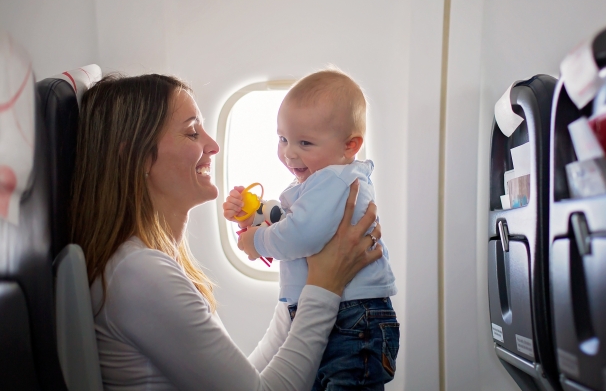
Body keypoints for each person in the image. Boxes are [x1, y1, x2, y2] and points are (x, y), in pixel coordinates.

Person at [69, 73, 383, 391]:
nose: (213, 145)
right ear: (136, 156)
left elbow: (248, 381)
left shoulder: (153, 262)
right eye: (192, 133)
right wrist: (325, 286)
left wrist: (303, 286)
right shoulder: (139, 274)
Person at [223, 69, 399, 390]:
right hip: (345, 315)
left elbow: (301, 234)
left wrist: (257, 241)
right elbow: (294, 219)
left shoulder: (332, 178)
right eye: (283, 139)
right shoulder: (319, 180)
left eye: (304, 142)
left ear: (350, 146)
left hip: (354, 317)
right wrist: (255, 215)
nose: (289, 152)